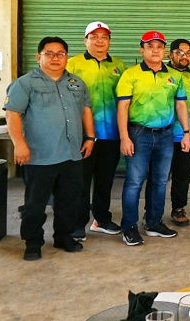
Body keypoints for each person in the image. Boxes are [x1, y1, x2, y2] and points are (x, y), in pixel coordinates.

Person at [5, 37, 95, 260]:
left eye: (60, 53)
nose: (56, 58)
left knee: (69, 200)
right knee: (35, 204)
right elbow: (12, 114)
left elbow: (86, 109)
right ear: (38, 57)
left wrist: (90, 137)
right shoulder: (25, 83)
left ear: (66, 57)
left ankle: (64, 237)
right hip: (39, 155)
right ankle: (33, 243)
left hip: (71, 154)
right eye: (49, 53)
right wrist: (19, 145)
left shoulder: (76, 83)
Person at [116, 31, 190, 246]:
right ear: (142, 50)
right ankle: (129, 227)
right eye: (150, 46)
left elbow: (180, 105)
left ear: (165, 51)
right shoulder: (130, 74)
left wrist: (186, 132)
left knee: (160, 181)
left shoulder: (174, 76)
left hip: (166, 135)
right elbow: (123, 107)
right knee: (134, 182)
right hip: (138, 134)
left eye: (159, 47)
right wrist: (124, 137)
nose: (155, 50)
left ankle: (153, 222)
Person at [65, 22, 126, 240]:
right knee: (80, 180)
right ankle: (77, 223)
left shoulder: (119, 66)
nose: (99, 41)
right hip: (82, 134)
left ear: (109, 41)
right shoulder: (72, 64)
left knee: (105, 179)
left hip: (111, 133)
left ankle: (101, 219)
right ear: (85, 41)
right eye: (94, 36)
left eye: (104, 37)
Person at [164, 39, 190, 227]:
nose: (184, 56)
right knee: (158, 176)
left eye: (188, 53)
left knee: (182, 175)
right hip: (164, 135)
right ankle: (152, 213)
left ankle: (178, 208)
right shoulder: (162, 73)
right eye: (180, 52)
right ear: (170, 54)